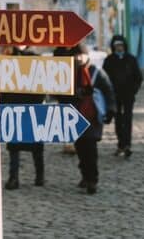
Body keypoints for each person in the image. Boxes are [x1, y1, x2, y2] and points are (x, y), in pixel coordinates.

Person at [56, 43, 116, 195]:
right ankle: (85, 175)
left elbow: (108, 91)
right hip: (75, 116)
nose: (78, 58)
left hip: (92, 116)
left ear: (87, 56)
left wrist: (111, 110)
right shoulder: (69, 73)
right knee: (81, 148)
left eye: (81, 55)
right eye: (76, 55)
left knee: (91, 148)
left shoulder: (96, 72)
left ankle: (92, 180)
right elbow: (60, 94)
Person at [1, 47, 45, 190]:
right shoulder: (8, 60)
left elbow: (41, 86)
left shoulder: (34, 58)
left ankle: (38, 176)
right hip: (15, 107)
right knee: (15, 145)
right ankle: (14, 177)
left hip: (31, 108)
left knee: (35, 146)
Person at [102, 34, 142, 157]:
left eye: (121, 45)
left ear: (124, 45)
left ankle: (127, 145)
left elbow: (138, 77)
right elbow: (104, 78)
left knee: (128, 119)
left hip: (128, 95)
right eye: (116, 45)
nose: (119, 47)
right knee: (118, 120)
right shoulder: (109, 60)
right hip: (114, 95)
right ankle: (121, 144)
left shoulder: (131, 59)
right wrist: (108, 93)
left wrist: (134, 90)